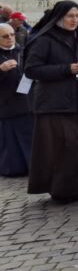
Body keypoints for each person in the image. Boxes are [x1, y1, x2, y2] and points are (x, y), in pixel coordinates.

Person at [24, 0, 78, 203]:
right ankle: (60, 190)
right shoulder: (44, 39)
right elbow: (31, 69)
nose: (74, 20)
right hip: (55, 103)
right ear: (59, 17)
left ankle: (77, 187)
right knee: (61, 149)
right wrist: (66, 69)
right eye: (70, 16)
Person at [0, 23, 32, 176]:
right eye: (5, 36)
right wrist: (1, 69)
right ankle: (13, 168)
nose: (10, 38)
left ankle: (31, 165)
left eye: (12, 34)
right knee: (10, 139)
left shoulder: (22, 51)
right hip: (6, 103)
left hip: (26, 100)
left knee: (28, 136)